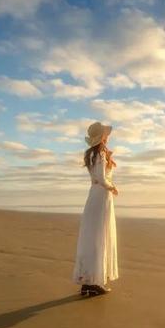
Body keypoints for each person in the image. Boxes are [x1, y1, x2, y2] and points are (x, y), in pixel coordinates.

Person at [72, 121, 119, 296]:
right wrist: (112, 187)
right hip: (101, 196)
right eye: (106, 135)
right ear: (102, 137)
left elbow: (97, 175)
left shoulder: (93, 153)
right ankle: (94, 281)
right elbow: (100, 177)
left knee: (93, 238)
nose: (108, 137)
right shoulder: (99, 153)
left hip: (94, 195)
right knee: (99, 236)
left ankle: (88, 281)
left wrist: (109, 159)